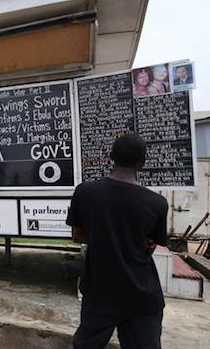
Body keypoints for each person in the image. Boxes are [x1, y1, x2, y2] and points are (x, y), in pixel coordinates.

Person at [67, 134, 168, 349]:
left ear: (111, 158)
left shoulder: (85, 192)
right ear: (142, 164)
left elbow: (77, 236)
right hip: (143, 295)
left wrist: (101, 235)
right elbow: (151, 244)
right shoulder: (157, 203)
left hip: (100, 292)